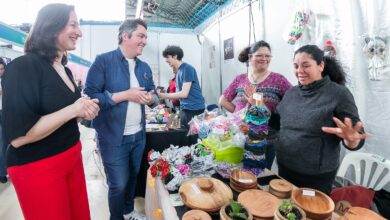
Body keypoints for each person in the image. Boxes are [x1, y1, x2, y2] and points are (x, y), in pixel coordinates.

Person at [2, 4, 100, 220]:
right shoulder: (22, 67)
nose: (79, 32)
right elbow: (19, 137)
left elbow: (62, 113)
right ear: (52, 26)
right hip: (38, 166)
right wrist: (73, 108)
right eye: (73, 24)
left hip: (71, 155)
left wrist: (82, 112)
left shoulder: (64, 69)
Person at [84, 19, 158, 220]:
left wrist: (151, 98)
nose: (144, 41)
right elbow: (90, 96)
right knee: (118, 184)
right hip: (113, 137)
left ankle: (128, 211)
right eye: (140, 36)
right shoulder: (103, 61)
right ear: (125, 36)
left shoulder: (144, 67)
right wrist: (124, 95)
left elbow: (155, 95)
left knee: (133, 177)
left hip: (138, 136)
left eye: (145, 37)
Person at [276, 45, 368, 195]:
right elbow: (278, 122)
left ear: (321, 66)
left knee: (311, 213)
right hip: (285, 167)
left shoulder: (338, 94)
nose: (299, 71)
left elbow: (355, 133)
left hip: (315, 176)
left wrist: (351, 140)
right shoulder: (291, 93)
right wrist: (258, 111)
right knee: (285, 209)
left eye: (306, 65)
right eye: (296, 66)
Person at [219, 40, 292, 169]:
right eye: (259, 55)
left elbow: (293, 102)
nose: (264, 58)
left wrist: (258, 103)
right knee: (238, 172)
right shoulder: (240, 79)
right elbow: (223, 101)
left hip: (266, 141)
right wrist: (239, 115)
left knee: (260, 174)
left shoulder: (279, 80)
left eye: (267, 56)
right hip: (240, 137)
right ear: (250, 57)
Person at [158, 45, 205, 128]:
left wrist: (163, 95)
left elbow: (184, 94)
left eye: (167, 57)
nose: (166, 60)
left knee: (188, 135)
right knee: (172, 127)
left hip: (193, 109)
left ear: (175, 56)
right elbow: (178, 94)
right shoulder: (179, 71)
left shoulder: (187, 69)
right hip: (185, 108)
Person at [0, 58, 7, 183]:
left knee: (4, 143)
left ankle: (3, 171)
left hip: (6, 113)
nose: (0, 71)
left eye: (1, 69)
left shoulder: (8, 79)